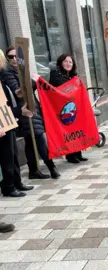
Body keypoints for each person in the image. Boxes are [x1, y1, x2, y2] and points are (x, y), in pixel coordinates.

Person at [1, 46, 60, 179]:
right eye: (11, 57)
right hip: (23, 112)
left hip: (32, 109)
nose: (15, 59)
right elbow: (19, 93)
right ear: (7, 59)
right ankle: (51, 167)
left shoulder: (22, 71)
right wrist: (34, 81)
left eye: (17, 56)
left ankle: (33, 170)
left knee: (30, 141)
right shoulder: (7, 73)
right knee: (39, 138)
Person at [0, 49, 34, 197]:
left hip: (9, 121)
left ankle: (16, 182)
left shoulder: (1, 78)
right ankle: (8, 187)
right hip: (3, 124)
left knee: (12, 155)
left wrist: (18, 106)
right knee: (7, 157)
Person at [49, 54, 88, 164]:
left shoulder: (73, 76)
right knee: (68, 131)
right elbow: (62, 89)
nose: (68, 64)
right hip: (62, 108)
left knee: (76, 129)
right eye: (65, 61)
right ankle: (70, 155)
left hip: (73, 106)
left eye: (70, 62)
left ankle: (78, 153)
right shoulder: (55, 74)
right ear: (61, 62)